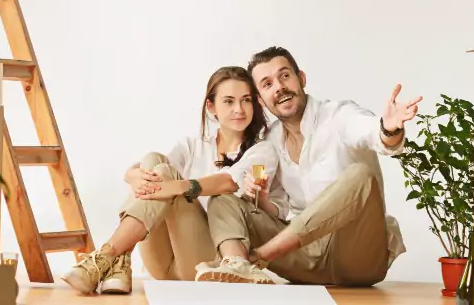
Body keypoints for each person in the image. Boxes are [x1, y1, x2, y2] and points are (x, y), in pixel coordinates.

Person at [195, 46, 423, 286]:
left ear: (301, 79)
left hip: (358, 258)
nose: (279, 87)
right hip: (307, 258)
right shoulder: (271, 141)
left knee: (361, 175)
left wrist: (389, 128)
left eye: (284, 76)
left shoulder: (338, 116)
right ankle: (237, 265)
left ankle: (257, 257)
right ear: (261, 99)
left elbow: (377, 135)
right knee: (224, 198)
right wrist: (260, 199)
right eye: (267, 84)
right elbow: (276, 210)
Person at [61, 66, 283, 294]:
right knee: (153, 159)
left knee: (165, 174)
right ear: (211, 106)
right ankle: (120, 260)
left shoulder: (262, 150)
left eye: (245, 100)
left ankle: (107, 257)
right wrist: (131, 175)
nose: (239, 109)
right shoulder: (193, 145)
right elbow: (152, 169)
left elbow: (229, 182)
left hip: (206, 264)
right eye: (228, 101)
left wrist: (180, 186)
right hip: (163, 265)